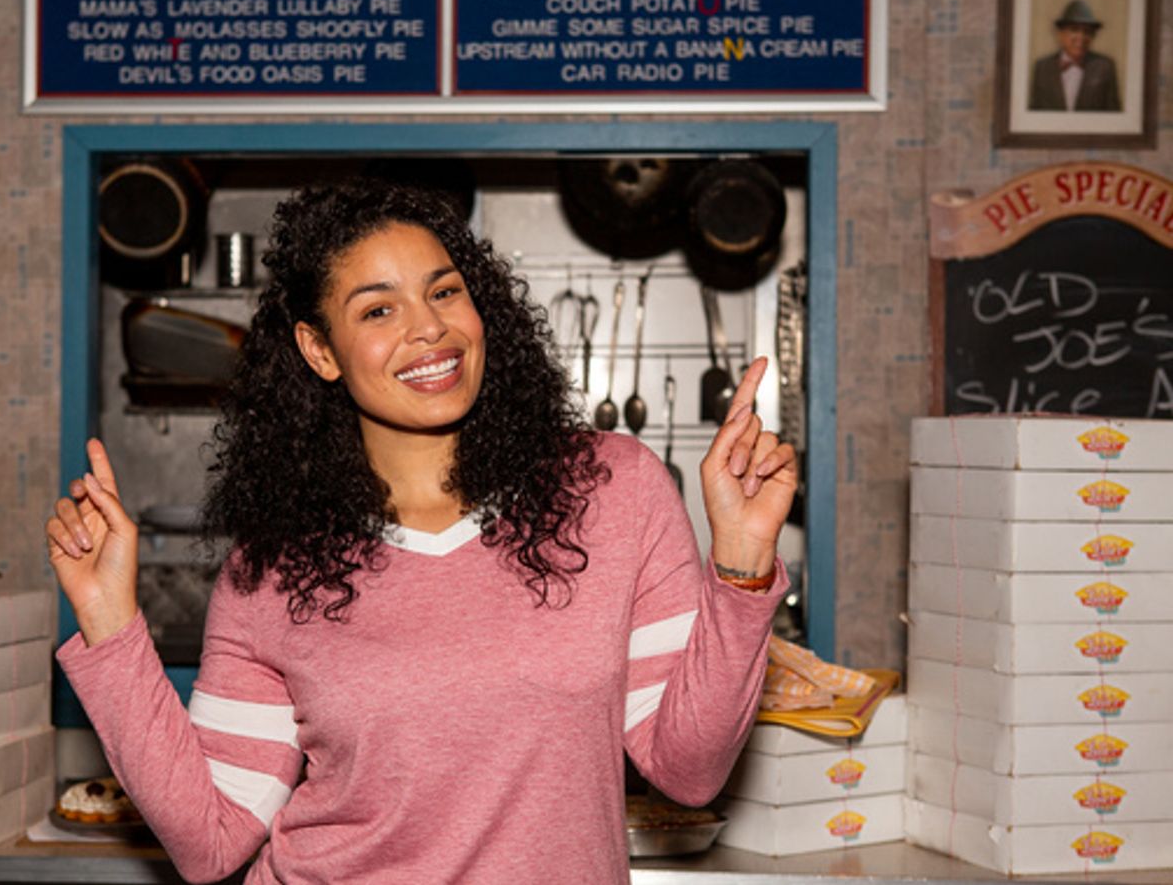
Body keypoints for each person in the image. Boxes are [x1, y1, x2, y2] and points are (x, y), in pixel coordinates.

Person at [45, 179, 797, 884]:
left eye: (445, 291)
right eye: (378, 310)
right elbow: (211, 837)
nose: (429, 326)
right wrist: (110, 619)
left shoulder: (615, 488)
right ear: (319, 350)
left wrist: (742, 558)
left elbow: (687, 769)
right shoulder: (275, 566)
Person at [1029, 0, 1121, 112]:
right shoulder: (1042, 67)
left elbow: (1114, 115)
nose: (1081, 37)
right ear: (1060, 34)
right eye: (1074, 29)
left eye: (1087, 32)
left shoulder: (1104, 67)